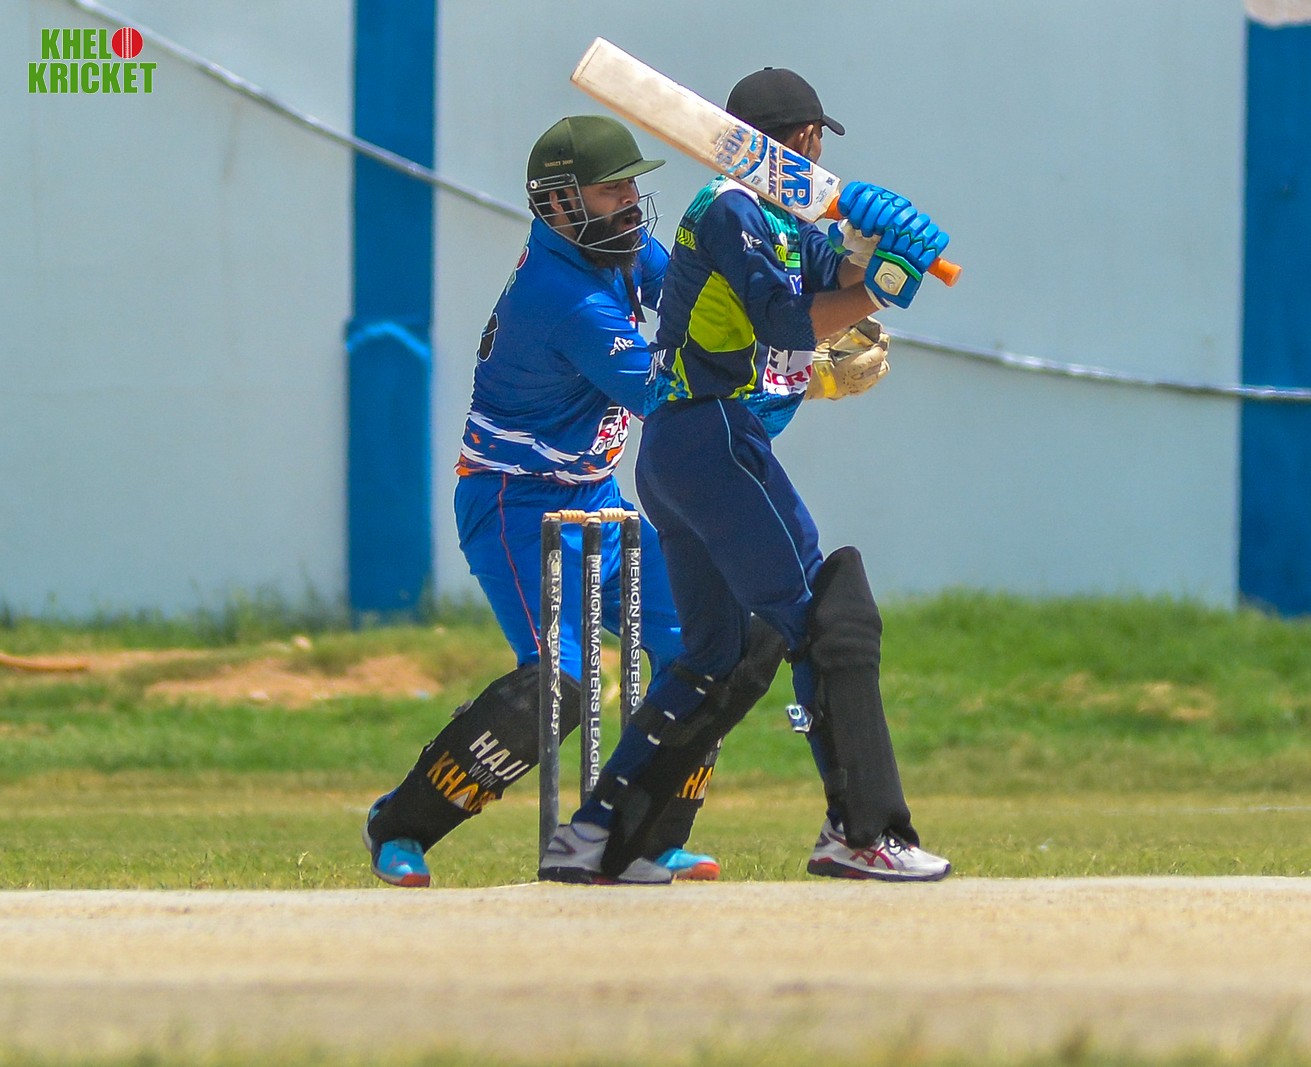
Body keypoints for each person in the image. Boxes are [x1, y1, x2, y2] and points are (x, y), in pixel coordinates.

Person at [538, 67, 954, 884]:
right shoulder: (731, 209)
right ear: (804, 140)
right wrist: (881, 287)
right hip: (711, 435)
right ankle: (860, 831)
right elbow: (786, 321)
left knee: (715, 657)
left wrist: (870, 248)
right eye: (816, 144)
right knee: (828, 620)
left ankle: (598, 837)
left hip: (680, 450)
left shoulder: (778, 217)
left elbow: (832, 282)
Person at [361, 115, 786, 887]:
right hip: (514, 506)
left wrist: (798, 312)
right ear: (558, 203)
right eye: (610, 188)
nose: (629, 202)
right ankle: (401, 823)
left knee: (720, 644)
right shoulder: (563, 299)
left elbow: (695, 299)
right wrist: (797, 373)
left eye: (630, 185)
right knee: (558, 686)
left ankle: (644, 836)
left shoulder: (614, 247)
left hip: (597, 496)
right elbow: (673, 395)